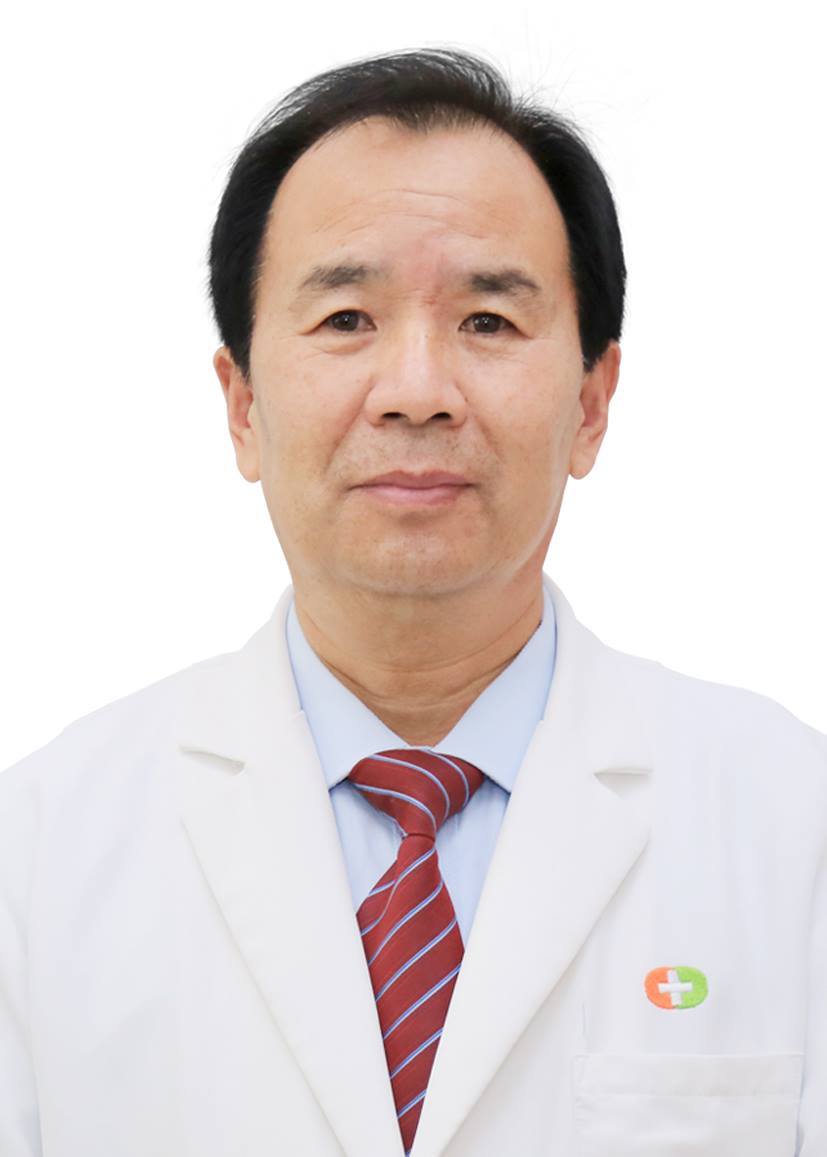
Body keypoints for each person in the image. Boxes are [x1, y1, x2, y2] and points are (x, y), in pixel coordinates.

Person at [1, 46, 825, 1157]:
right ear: (242, 405)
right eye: (347, 317)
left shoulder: (791, 826)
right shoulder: (39, 853)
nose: (418, 391)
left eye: (488, 321)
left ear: (590, 403)